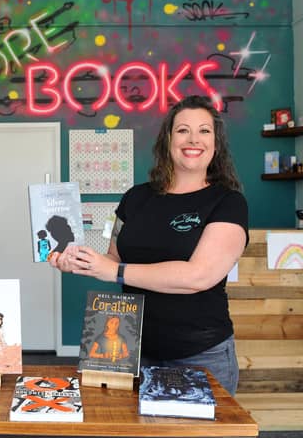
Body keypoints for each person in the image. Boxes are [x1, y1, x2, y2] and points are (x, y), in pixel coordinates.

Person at [49, 95, 248, 395]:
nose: (193, 138)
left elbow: (199, 276)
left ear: (216, 143)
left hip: (201, 354)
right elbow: (113, 258)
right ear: (167, 139)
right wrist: (76, 261)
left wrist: (115, 271)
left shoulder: (228, 202)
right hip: (131, 352)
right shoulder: (135, 198)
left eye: (204, 131)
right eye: (183, 130)